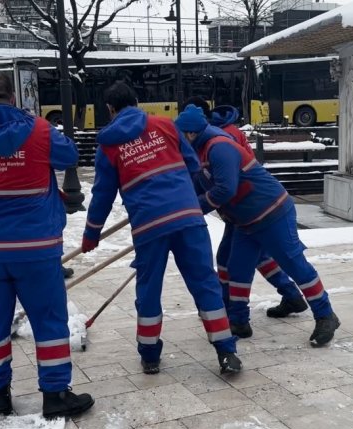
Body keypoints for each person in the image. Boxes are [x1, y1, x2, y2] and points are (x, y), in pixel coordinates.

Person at [0, 70, 94, 419]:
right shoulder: (39, 130)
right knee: (49, 320)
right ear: (13, 97)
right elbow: (69, 156)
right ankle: (55, 395)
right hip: (36, 247)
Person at [81, 82, 241, 375]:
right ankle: (226, 351)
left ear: (110, 109)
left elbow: (103, 193)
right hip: (188, 217)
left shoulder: (108, 145)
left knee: (149, 288)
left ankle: (150, 355)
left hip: (149, 224)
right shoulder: (165, 126)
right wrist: (180, 197)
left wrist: (92, 234)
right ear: (137, 101)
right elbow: (192, 165)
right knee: (205, 283)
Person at [175, 104, 340, 347]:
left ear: (190, 133)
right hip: (245, 219)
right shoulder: (200, 152)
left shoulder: (219, 147)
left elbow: (224, 189)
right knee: (237, 267)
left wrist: (196, 207)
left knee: (293, 262)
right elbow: (198, 187)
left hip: (272, 211)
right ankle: (239, 321)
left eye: (180, 136)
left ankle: (326, 314)